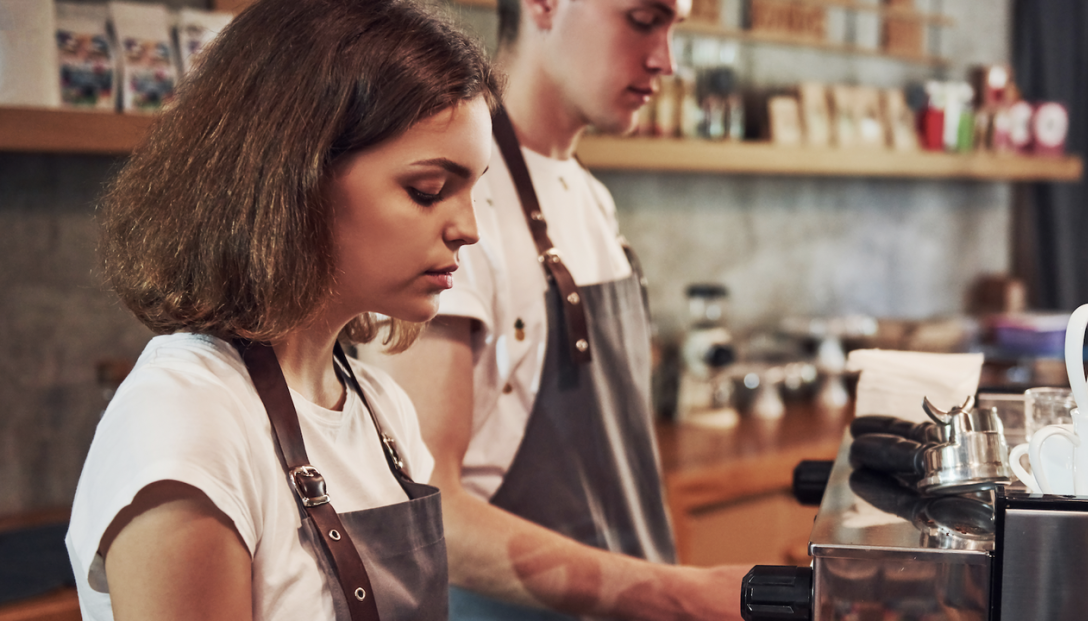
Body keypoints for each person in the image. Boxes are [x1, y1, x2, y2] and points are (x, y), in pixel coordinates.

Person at [64, 0, 498, 619]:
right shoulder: (187, 427)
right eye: (427, 191)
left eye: (473, 188)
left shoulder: (382, 412)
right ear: (293, 174)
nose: (469, 228)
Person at [357, 0, 749, 617]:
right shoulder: (452, 206)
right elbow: (424, 506)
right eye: (643, 20)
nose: (665, 60)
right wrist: (679, 594)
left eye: (676, 27)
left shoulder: (589, 196)